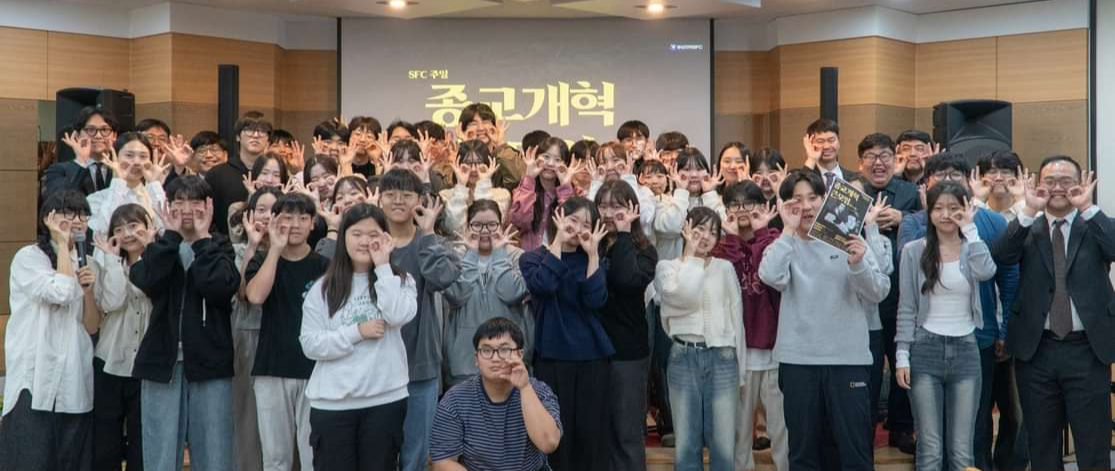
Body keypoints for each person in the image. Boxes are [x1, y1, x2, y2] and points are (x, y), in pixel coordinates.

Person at [897, 152, 1022, 471]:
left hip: (971, 344)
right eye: (938, 207)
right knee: (930, 447)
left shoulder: (982, 234)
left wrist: (971, 229)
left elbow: (993, 273)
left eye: (954, 207)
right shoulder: (914, 243)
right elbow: (907, 305)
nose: (946, 214)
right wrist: (901, 355)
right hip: (925, 346)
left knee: (967, 444)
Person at [758, 170, 890, 471]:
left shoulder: (849, 238)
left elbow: (879, 291)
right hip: (798, 361)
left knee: (854, 453)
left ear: (825, 200)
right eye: (796, 200)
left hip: (848, 360)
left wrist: (858, 264)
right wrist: (787, 231)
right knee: (803, 453)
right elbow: (771, 276)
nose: (806, 206)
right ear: (785, 206)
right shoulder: (783, 243)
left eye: (813, 198)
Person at [990, 155, 1113, 471]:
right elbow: (1001, 257)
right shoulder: (1026, 226)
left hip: (1087, 350)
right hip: (1036, 351)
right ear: (1037, 184)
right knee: (1042, 446)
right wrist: (1028, 210)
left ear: (1081, 184)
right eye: (1050, 181)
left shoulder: (1093, 225)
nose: (1058, 188)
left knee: (1093, 446)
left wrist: (1088, 207)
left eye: (1066, 181)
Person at [129, 175, 239, 471]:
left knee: (215, 452)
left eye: (195, 201)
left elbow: (220, 288)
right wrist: (170, 238)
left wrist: (203, 241)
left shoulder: (220, 246)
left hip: (210, 364)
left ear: (209, 206)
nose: (187, 209)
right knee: (160, 453)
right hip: (161, 362)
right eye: (179, 201)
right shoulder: (160, 245)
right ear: (168, 206)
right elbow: (147, 280)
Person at [299, 203, 418, 471]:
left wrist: (383, 267)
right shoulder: (323, 288)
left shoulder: (401, 281)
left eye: (373, 234)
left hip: (385, 400)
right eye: (357, 234)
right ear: (343, 237)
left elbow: (398, 315)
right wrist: (356, 333)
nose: (365, 241)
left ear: (386, 238)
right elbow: (310, 344)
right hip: (332, 404)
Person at [0, 191, 99, 470]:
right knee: (30, 460)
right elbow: (62, 292)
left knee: (71, 460)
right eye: (67, 213)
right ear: (48, 219)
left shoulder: (88, 261)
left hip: (74, 378)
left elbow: (92, 325)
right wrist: (62, 243)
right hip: (35, 378)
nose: (76, 220)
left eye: (82, 214)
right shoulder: (29, 258)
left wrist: (89, 292)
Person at [519, 197, 612, 471]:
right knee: (556, 432)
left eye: (586, 224)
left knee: (591, 434)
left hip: (593, 356)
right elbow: (544, 285)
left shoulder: (595, 260)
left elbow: (596, 300)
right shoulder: (532, 258)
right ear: (558, 219)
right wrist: (558, 242)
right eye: (573, 220)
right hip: (552, 355)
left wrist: (593, 255)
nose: (578, 228)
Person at [654, 206, 746, 471]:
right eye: (699, 229)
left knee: (723, 445)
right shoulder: (667, 267)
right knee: (686, 445)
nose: (705, 236)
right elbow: (682, 298)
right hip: (683, 357)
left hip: (723, 356)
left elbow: (736, 316)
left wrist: (740, 370)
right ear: (685, 228)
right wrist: (691, 257)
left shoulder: (725, 268)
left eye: (713, 232)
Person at [243, 193, 329, 471]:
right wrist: (275, 250)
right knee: (275, 458)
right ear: (274, 221)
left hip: (315, 370)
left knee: (313, 456)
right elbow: (255, 297)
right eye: (287, 217)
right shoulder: (263, 259)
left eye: (303, 218)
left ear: (313, 223)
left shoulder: (325, 266)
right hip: (271, 368)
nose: (294, 224)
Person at [851, 133, 922, 452]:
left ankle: (901, 428)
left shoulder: (909, 192)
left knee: (901, 365)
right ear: (860, 163)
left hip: (901, 294)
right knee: (865, 372)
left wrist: (902, 218)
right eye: (870, 156)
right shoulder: (852, 191)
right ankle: (863, 431)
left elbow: (925, 223)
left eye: (884, 156)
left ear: (895, 160)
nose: (878, 162)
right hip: (862, 296)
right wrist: (870, 225)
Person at [711, 181, 788, 471]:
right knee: (740, 428)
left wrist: (761, 233)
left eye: (749, 203)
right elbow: (723, 281)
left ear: (763, 206)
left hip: (775, 345)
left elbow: (772, 276)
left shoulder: (775, 239)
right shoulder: (720, 247)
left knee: (781, 425)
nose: (742, 210)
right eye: (735, 204)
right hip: (738, 351)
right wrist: (732, 239)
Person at [430, 318, 562, 471]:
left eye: (504, 350)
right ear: (476, 359)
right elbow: (443, 462)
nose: (495, 358)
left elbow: (549, 443)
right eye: (486, 351)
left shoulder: (539, 391)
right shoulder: (455, 400)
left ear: (520, 354)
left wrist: (525, 388)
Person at [593, 180, 658, 471]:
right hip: (593, 350)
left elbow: (626, 280)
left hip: (627, 352)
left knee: (627, 432)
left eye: (616, 206)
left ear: (633, 209)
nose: (609, 213)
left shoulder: (644, 250)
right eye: (603, 206)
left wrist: (621, 234)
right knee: (599, 432)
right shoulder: (590, 245)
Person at [91, 204, 157, 471]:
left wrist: (150, 251)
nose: (127, 234)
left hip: (146, 363)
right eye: (119, 229)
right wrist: (111, 261)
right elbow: (113, 301)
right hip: (110, 359)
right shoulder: (106, 264)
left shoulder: (160, 261)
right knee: (106, 439)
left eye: (133, 225)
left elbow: (154, 290)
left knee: (142, 438)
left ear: (148, 226)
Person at [442, 199, 530, 386]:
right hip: (463, 358)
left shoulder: (517, 256)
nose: (484, 231)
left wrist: (499, 255)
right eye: (477, 225)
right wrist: (471, 255)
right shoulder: (455, 257)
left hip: (508, 357)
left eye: (491, 225)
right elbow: (457, 296)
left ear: (501, 225)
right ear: (467, 226)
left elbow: (511, 293)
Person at [230, 188, 282, 471]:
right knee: (248, 415)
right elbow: (242, 294)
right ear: (249, 214)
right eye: (261, 209)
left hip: (281, 336)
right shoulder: (237, 250)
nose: (267, 216)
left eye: (274, 210)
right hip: (247, 334)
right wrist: (252, 246)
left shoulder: (291, 248)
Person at [87, 132, 169, 234]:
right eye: (129, 155)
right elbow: (104, 229)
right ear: (114, 158)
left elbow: (168, 229)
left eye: (143, 156)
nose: (136, 162)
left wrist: (153, 183)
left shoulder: (154, 196)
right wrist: (118, 182)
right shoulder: (96, 199)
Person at [653, 147, 727, 261]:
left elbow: (723, 231)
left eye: (699, 169)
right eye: (687, 169)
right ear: (675, 172)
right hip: (672, 269)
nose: (694, 175)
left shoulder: (715, 200)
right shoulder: (662, 200)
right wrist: (681, 192)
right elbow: (672, 228)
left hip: (707, 268)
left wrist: (709, 193)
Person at [510, 137, 580, 251]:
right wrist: (529, 178)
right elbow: (520, 220)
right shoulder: (524, 188)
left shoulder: (572, 192)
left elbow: (571, 227)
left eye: (557, 160)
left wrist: (565, 186)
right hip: (528, 256)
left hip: (558, 257)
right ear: (536, 158)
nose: (550, 163)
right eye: (546, 157)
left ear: (565, 164)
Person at [42, 106, 118, 196]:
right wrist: (81, 162)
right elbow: (61, 200)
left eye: (104, 130)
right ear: (77, 135)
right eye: (91, 129)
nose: (98, 136)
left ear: (114, 136)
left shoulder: (124, 169)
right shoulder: (59, 170)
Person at [439, 140, 511, 232]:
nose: (473, 169)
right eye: (468, 163)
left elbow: (487, 227)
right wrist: (461, 186)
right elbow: (455, 229)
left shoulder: (502, 196)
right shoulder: (446, 196)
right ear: (458, 164)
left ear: (488, 164)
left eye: (479, 163)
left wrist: (484, 184)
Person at [458, 103, 524, 191]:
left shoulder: (508, 155)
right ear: (463, 129)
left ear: (494, 126)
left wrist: (500, 144)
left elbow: (518, 181)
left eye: (485, 122)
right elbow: (448, 187)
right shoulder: (455, 156)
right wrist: (466, 148)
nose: (480, 128)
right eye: (473, 123)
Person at [972, 150, 1027, 221]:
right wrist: (979, 199)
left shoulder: (1031, 211)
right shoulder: (974, 208)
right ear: (981, 177)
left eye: (1005, 172)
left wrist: (1019, 198)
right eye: (992, 172)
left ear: (1018, 177)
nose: (998, 178)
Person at [801, 119, 857, 187]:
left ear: (838, 141)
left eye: (831, 140)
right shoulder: (806, 175)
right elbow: (801, 188)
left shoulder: (854, 179)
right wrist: (811, 159)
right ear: (810, 144)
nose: (826, 146)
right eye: (820, 141)